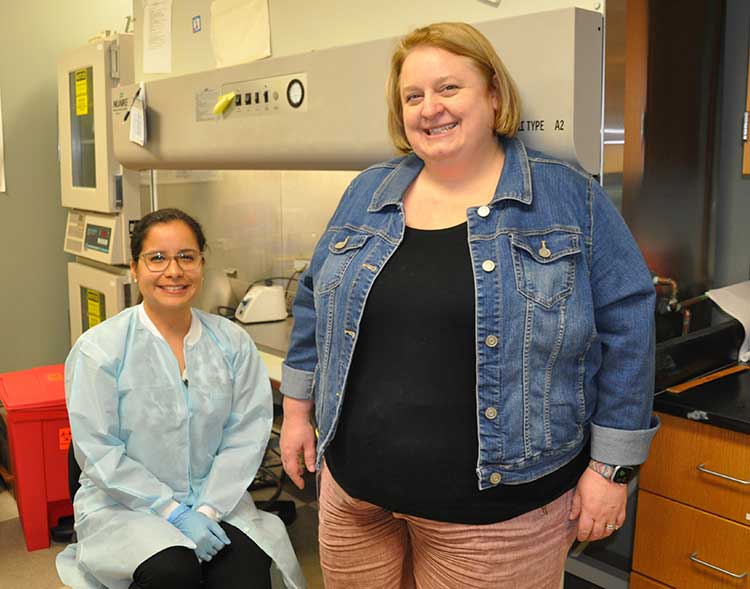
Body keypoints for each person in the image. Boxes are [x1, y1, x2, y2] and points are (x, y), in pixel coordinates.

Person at [280, 22, 658, 588]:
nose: (430, 108)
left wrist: (611, 469)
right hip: (355, 499)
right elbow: (315, 299)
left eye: (449, 88)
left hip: (498, 517)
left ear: (494, 96)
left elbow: (629, 324)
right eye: (413, 96)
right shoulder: (368, 192)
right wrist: (295, 412)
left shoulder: (566, 197)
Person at [57, 209, 305, 589]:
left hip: (216, 499)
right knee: (173, 572)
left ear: (202, 265)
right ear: (135, 269)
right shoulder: (101, 350)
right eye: (157, 258)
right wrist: (172, 511)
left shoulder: (231, 342)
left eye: (186, 257)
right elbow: (98, 450)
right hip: (126, 506)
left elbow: (247, 434)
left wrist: (206, 509)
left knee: (245, 572)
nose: (173, 271)